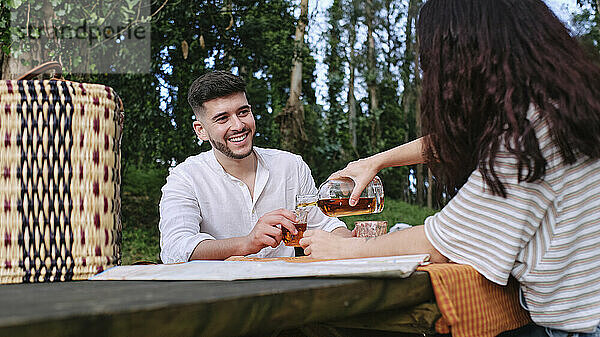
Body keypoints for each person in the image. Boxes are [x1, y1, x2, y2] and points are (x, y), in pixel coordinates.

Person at [300, 0, 600, 335]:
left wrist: (349, 249)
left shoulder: (525, 140)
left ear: (462, 57)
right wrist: (376, 161)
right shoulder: (565, 109)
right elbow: (462, 140)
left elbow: (440, 239)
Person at [159, 71, 351, 263]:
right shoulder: (185, 177)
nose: (238, 125)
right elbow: (175, 248)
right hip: (218, 290)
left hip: (285, 286)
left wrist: (351, 241)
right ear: (201, 131)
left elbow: (325, 224)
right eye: (222, 118)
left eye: (243, 112)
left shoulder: (291, 166)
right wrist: (247, 243)